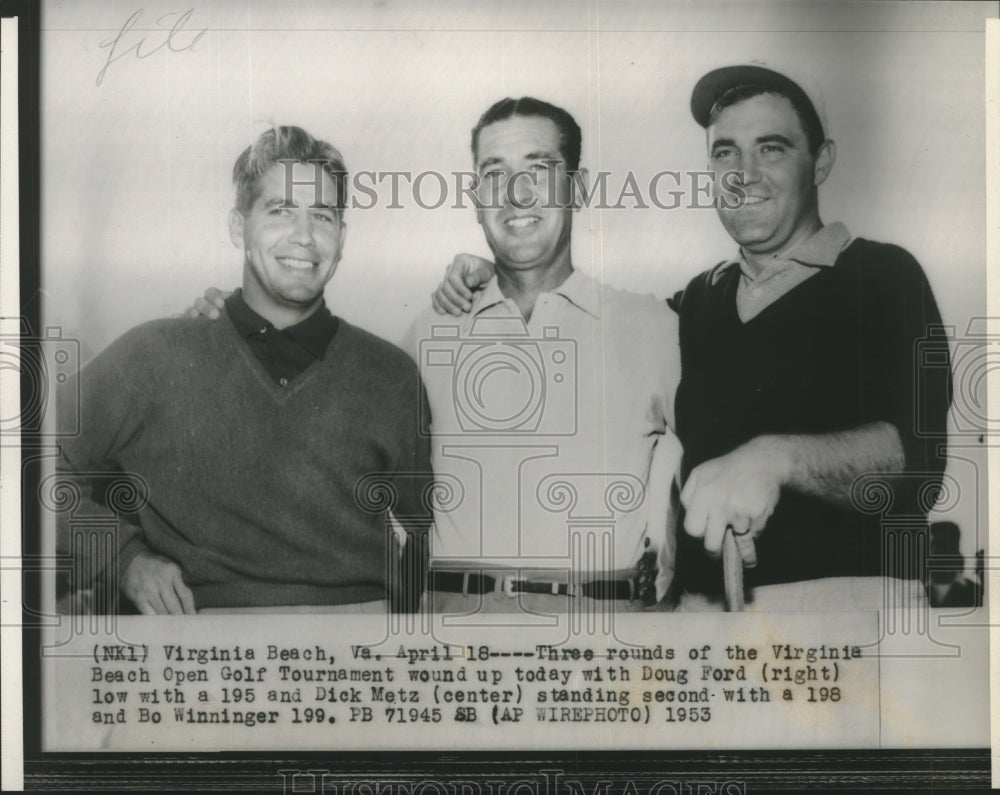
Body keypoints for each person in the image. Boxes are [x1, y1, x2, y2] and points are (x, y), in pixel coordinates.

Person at [431, 65, 952, 609]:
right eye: (725, 152)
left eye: (770, 148)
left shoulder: (881, 275)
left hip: (847, 619)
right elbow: (596, 337)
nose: (743, 172)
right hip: (704, 627)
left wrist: (778, 459)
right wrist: (500, 275)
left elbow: (921, 463)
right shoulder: (698, 302)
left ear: (820, 162)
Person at [192, 98, 682, 616]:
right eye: (495, 174)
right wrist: (235, 327)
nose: (516, 194)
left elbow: (725, 465)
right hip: (450, 642)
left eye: (539, 169)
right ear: (475, 198)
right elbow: (310, 424)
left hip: (602, 641)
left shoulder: (651, 328)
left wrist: (687, 604)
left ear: (577, 189)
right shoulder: (429, 333)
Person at [57, 126, 433, 614]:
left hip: (356, 650)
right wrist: (122, 559)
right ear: (239, 227)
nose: (303, 236)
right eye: (280, 211)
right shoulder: (153, 355)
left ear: (341, 237)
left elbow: (426, 536)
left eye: (322, 215)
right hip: (200, 648)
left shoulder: (391, 374)